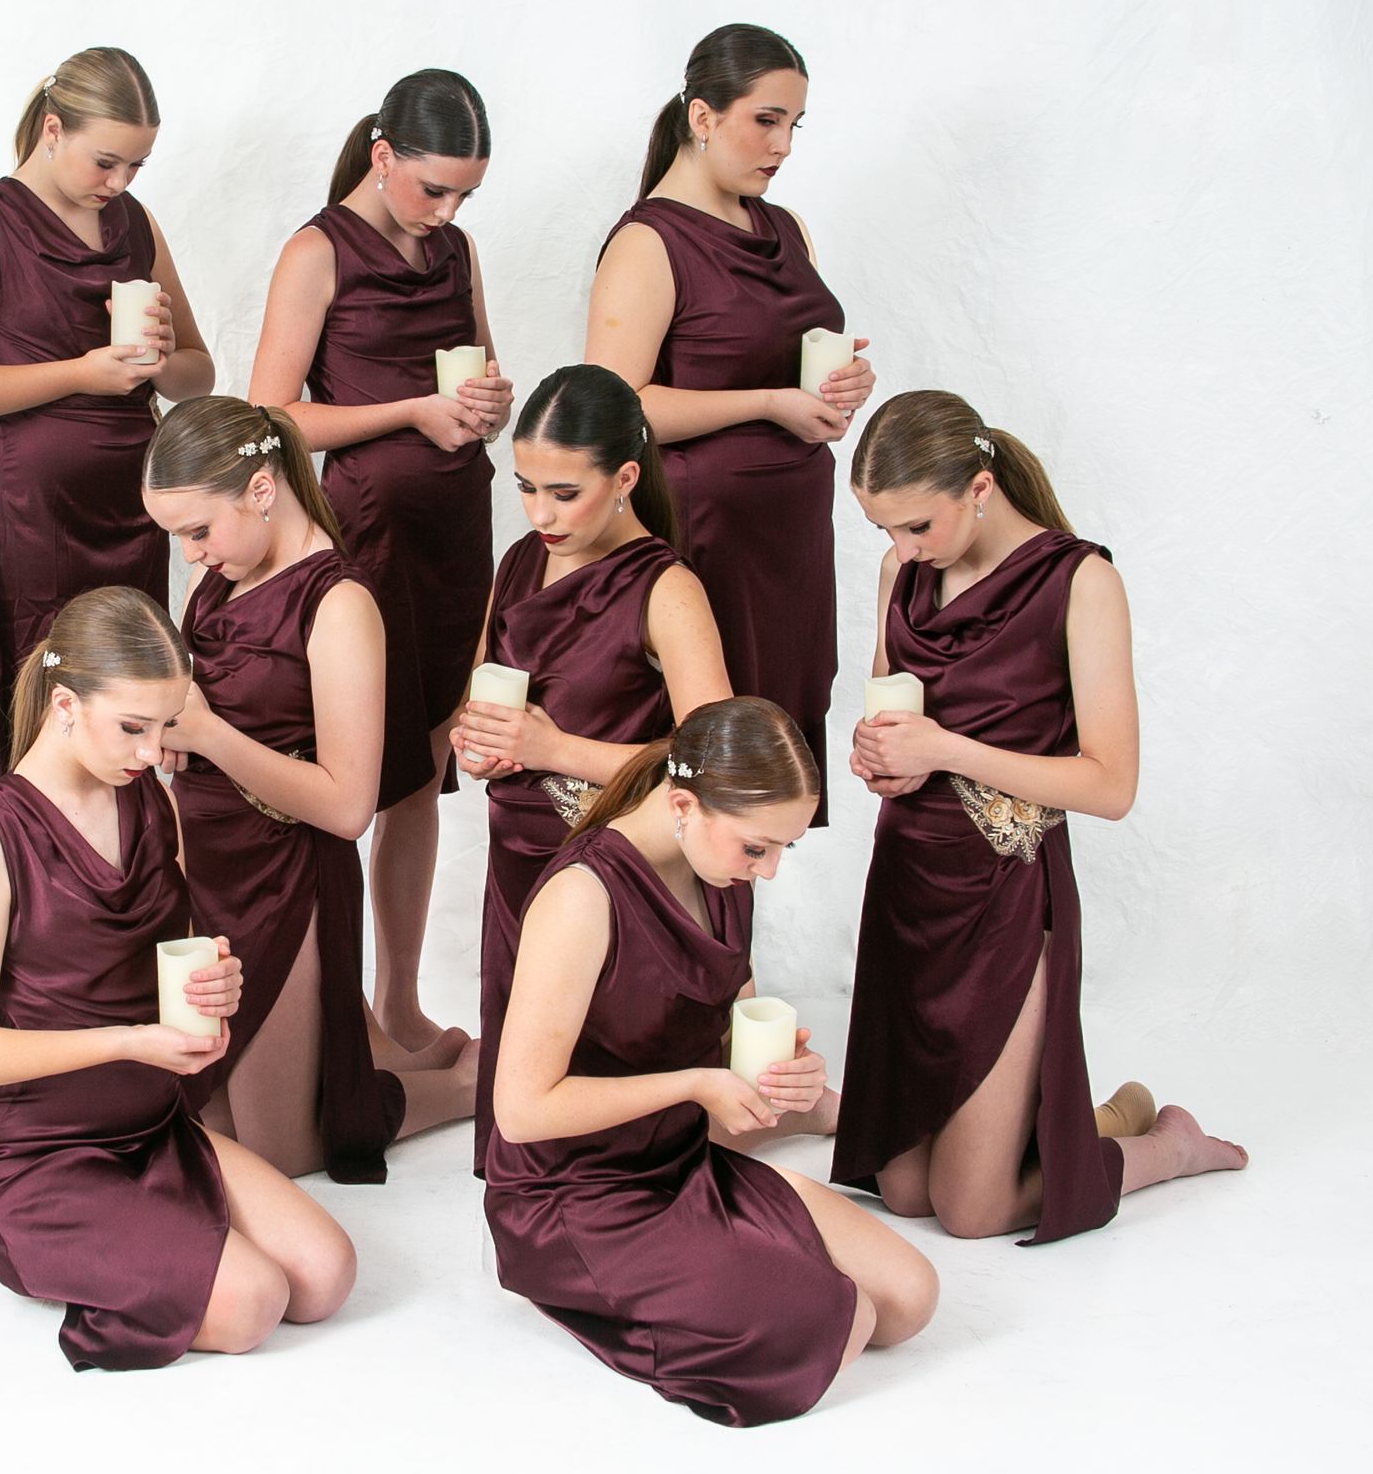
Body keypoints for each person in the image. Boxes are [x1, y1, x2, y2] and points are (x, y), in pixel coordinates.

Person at [834, 389, 1248, 1242]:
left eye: (917, 526)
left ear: (980, 488)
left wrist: (943, 750)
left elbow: (1111, 786)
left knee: (972, 1211)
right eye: (883, 530)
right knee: (904, 1193)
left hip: (1006, 894)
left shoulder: (1081, 582)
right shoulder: (900, 573)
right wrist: (877, 755)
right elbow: (891, 709)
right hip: (909, 882)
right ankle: (1100, 1118)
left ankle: (1166, 1148)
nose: (902, 550)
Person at [0, 589, 356, 1368]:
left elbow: (165, 963)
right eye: (133, 727)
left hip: (151, 1126)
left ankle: (106, 1234)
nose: (155, 753)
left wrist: (212, 988)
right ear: (65, 704)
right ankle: (9, 1235)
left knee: (325, 1278)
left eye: (166, 726)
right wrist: (128, 1041)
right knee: (253, 1305)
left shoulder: (152, 803)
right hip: (36, 1151)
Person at [486, 698, 936, 1426]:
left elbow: (728, 1027)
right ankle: (582, 1281)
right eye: (758, 848)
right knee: (838, 1322)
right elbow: (521, 1112)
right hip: (575, 1196)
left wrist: (785, 1072)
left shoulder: (722, 878)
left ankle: (732, 1246)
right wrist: (696, 1084)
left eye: (785, 848)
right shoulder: (582, 896)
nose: (771, 871)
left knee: (909, 1298)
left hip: (676, 1162)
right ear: (684, 805)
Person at [141, 396, 477, 1181]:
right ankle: (377, 1055)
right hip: (205, 869)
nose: (190, 554)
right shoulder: (216, 583)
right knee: (206, 1118)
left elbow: (348, 806)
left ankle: (460, 1088)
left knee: (278, 1152)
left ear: (261, 489)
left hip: (284, 879)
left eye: (198, 530)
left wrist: (209, 736)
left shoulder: (339, 603)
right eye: (177, 536)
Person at [248, 68, 512, 1051]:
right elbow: (271, 417)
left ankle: (398, 1000)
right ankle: (338, 1009)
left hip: (457, 534)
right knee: (360, 772)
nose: (446, 212)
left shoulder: (457, 250)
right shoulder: (318, 251)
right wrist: (411, 411)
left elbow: (484, 378)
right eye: (433, 188)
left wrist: (489, 404)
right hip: (372, 540)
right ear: (383, 154)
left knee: (422, 775)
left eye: (465, 196)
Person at [0, 46, 214, 801]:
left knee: (125, 701)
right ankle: (21, 856)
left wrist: (160, 359)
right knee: (34, 695)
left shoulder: (135, 223)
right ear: (53, 129)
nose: (121, 183)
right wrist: (81, 373)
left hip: (128, 509)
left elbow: (198, 375)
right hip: (27, 511)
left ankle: (119, 862)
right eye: (106, 161)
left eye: (137, 166)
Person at [451, 363, 735, 1174]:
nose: (540, 513)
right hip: (517, 858)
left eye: (564, 493)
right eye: (525, 487)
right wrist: (475, 742)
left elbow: (716, 759)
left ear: (627, 478)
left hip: (615, 873)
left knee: (609, 1140)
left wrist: (555, 751)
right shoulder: (520, 562)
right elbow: (479, 696)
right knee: (527, 1112)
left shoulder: (666, 587)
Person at [586, 24, 874, 825]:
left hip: (790, 544)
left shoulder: (786, 229)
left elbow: (787, 361)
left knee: (769, 777)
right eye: (766, 120)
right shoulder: (648, 242)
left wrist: (842, 385)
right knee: (708, 766)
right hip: (707, 540)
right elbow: (616, 406)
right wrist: (768, 403)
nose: (783, 146)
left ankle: (741, 909)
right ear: (703, 116)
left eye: (794, 125)